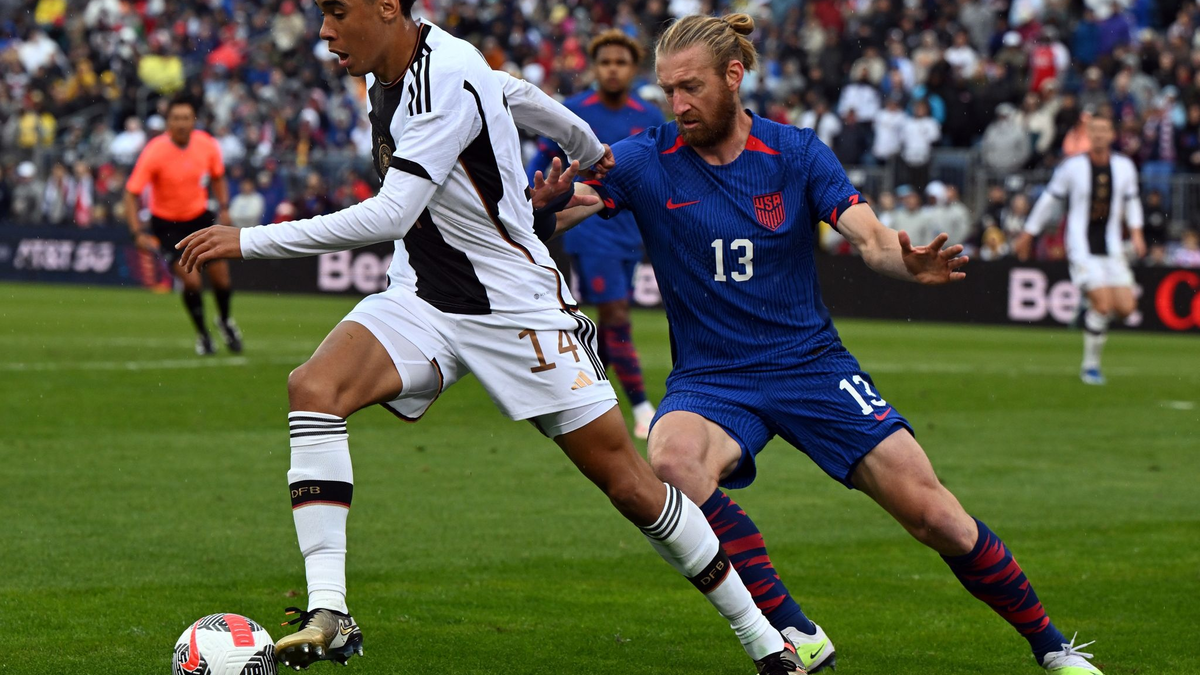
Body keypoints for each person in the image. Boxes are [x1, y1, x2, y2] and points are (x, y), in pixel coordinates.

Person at [175, 1, 803, 673]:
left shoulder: (441, 78)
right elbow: (516, 94)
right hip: (423, 294)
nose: (323, 30)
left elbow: (392, 211)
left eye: (336, 13)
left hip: (514, 310)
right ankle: (331, 611)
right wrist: (590, 149)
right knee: (314, 387)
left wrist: (248, 240)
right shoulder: (385, 67)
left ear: (387, 9)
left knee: (628, 483)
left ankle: (764, 638)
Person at [552, 14, 1104, 674]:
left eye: (691, 87)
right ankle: (795, 629)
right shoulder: (647, 158)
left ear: (735, 76)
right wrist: (535, 205)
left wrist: (908, 264)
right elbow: (568, 202)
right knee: (671, 464)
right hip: (713, 378)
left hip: (812, 366)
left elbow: (870, 238)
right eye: (668, 89)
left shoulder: (797, 153)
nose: (678, 104)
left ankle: (1053, 647)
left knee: (938, 518)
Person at [526, 29, 665, 439]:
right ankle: (641, 407)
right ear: (594, 67)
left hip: (628, 230)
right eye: (605, 62)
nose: (612, 70)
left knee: (607, 318)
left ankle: (587, 396)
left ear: (634, 69)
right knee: (617, 313)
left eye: (621, 62)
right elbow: (542, 159)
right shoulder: (573, 109)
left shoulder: (650, 117)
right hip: (587, 224)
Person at [1017, 115, 1144, 386]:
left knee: (1126, 308)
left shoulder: (1124, 167)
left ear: (1112, 134)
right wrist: (1029, 232)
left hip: (1111, 248)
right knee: (1103, 304)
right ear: (1088, 134)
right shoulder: (1072, 167)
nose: (1099, 135)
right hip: (1081, 247)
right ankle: (1091, 367)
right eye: (1094, 130)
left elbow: (1132, 202)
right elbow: (1050, 199)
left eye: (1104, 130)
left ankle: (1085, 306)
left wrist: (1137, 233)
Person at [124, 94, 241, 356]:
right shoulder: (155, 151)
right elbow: (131, 192)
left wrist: (223, 207)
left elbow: (218, 177)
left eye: (186, 118)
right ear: (168, 123)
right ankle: (203, 334)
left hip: (200, 217)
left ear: (194, 120)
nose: (181, 123)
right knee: (191, 283)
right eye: (176, 118)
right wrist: (136, 232)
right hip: (168, 223)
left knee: (222, 278)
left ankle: (224, 320)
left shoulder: (207, 145)